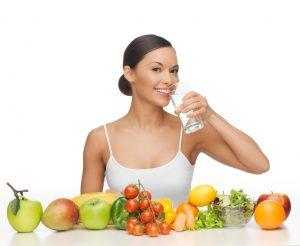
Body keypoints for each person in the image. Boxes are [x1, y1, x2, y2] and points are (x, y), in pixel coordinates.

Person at [80, 34, 270, 207]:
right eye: (156, 69)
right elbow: (86, 213)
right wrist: (113, 204)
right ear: (130, 73)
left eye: (174, 71)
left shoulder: (190, 131)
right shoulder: (100, 139)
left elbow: (259, 165)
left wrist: (210, 115)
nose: (169, 79)